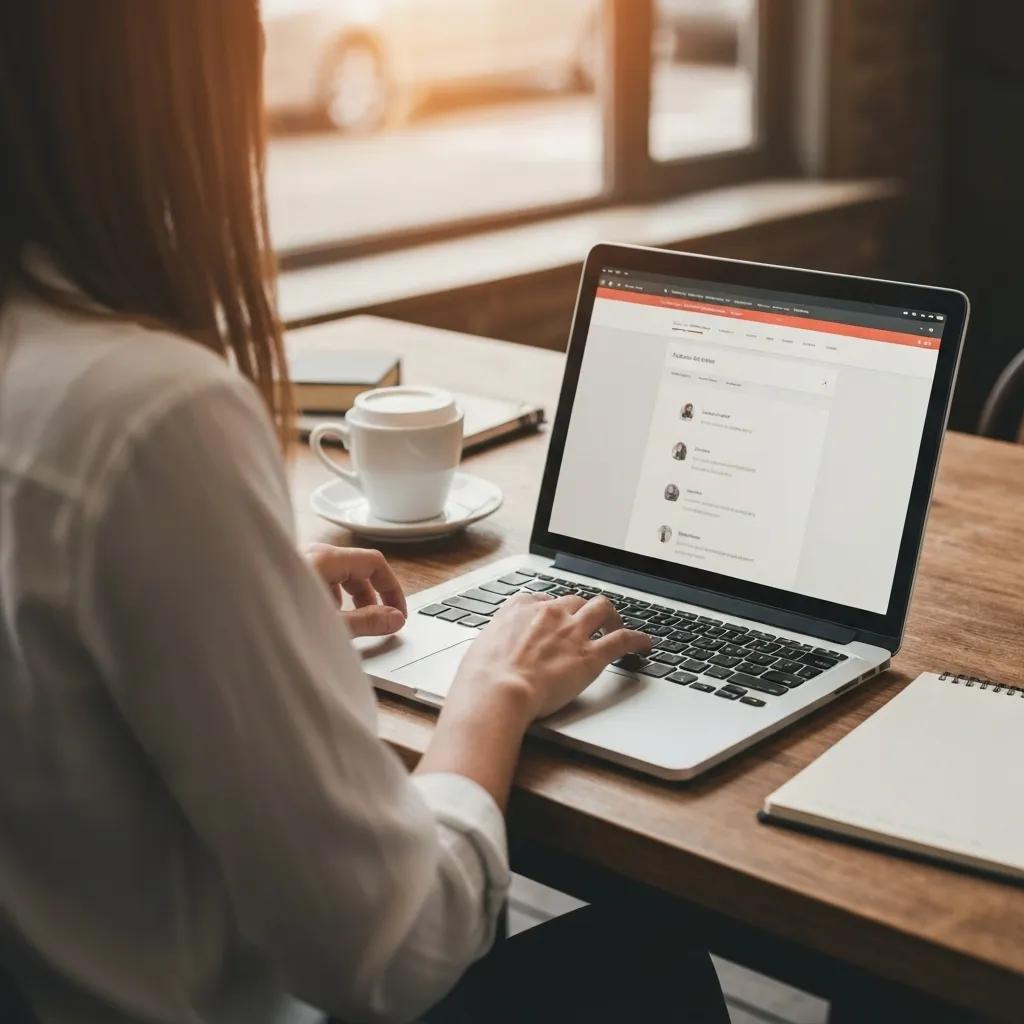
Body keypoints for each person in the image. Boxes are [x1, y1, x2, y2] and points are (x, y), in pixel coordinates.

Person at [0, 4, 728, 1023]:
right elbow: (393, 950)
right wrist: (496, 686)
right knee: (651, 965)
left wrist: (233, 589)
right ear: (165, 90)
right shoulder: (147, 412)